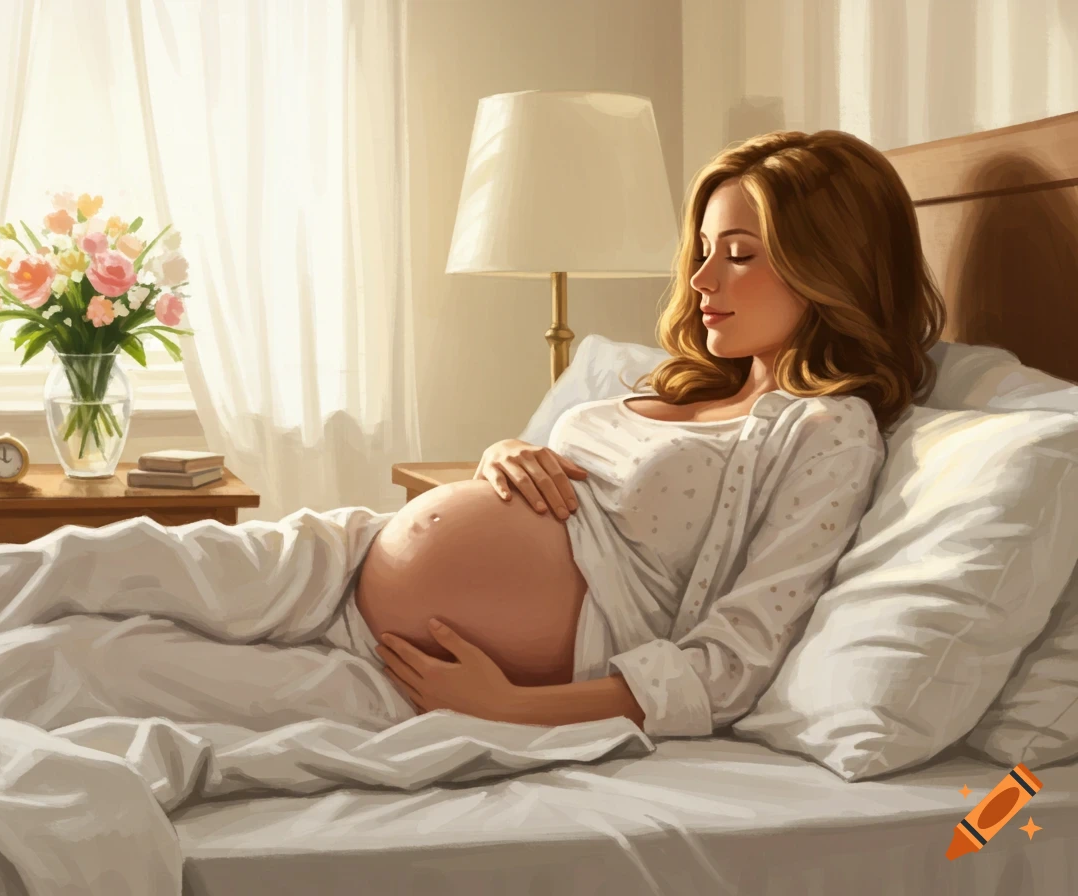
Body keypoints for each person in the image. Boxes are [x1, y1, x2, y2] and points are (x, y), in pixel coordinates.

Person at [360, 128, 946, 737]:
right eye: (703, 250)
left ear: (831, 269)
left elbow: (736, 661)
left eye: (739, 254)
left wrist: (507, 708)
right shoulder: (681, 383)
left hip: (429, 670)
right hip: (354, 565)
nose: (701, 279)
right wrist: (505, 455)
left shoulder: (829, 431)